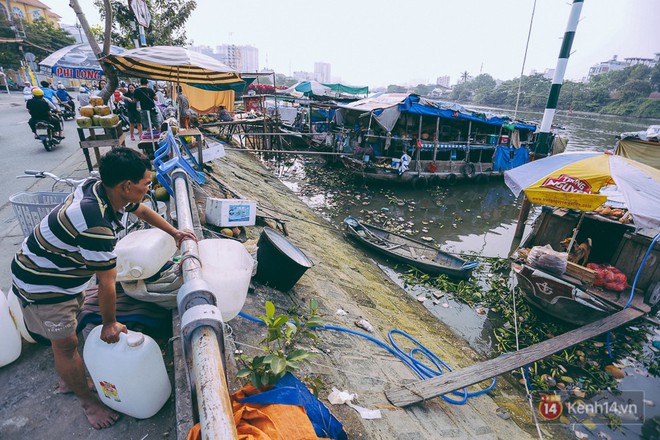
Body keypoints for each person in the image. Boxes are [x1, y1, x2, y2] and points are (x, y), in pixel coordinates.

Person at [11, 147, 196, 430]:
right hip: (42, 284)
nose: (149, 188)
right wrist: (110, 323)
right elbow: (106, 281)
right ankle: (87, 401)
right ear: (126, 186)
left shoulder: (103, 189)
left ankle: (70, 371)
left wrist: (174, 232)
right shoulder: (94, 223)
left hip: (63, 273)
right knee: (66, 343)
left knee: (67, 335)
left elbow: (142, 209)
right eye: (146, 183)